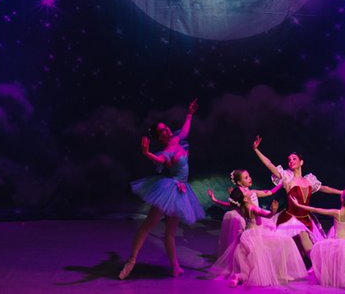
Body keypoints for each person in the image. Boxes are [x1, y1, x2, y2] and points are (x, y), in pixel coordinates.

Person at [119, 99, 205, 279]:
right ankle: (131, 260)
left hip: (181, 191)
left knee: (170, 233)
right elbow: (160, 160)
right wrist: (147, 153)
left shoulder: (176, 139)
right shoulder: (168, 151)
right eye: (163, 130)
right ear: (160, 137)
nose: (167, 130)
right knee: (148, 226)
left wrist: (189, 114)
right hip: (169, 190)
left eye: (166, 127)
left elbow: (185, 131)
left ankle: (175, 266)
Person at [252, 135, 342, 257]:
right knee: (300, 243)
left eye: (294, 158)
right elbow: (269, 164)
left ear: (301, 162)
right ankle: (315, 264)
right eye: (289, 160)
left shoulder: (309, 180)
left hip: (306, 218)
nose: (291, 161)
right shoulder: (287, 177)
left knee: (302, 249)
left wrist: (341, 192)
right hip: (291, 218)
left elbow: (324, 188)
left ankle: (312, 263)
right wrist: (256, 150)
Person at [226, 186, 307, 287]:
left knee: (249, 268)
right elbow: (266, 215)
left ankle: (239, 276)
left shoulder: (241, 207)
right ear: (245, 199)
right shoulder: (253, 208)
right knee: (286, 241)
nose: (248, 190)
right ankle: (280, 273)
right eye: (245, 191)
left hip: (246, 235)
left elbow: (232, 203)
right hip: (256, 236)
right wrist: (273, 211)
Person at [209, 169, 283, 274]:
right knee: (253, 249)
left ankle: (259, 270)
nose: (250, 179)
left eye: (249, 176)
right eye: (246, 178)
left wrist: (281, 184)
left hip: (259, 220)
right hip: (253, 222)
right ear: (239, 182)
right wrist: (216, 200)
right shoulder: (242, 196)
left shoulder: (252, 192)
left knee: (259, 248)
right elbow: (232, 205)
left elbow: (270, 192)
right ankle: (252, 271)